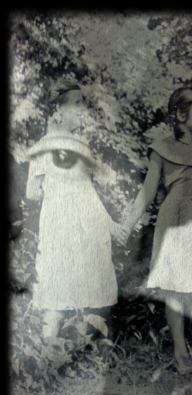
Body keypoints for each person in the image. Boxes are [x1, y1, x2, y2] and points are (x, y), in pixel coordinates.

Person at [122, 87, 192, 374]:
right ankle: (181, 355)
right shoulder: (162, 148)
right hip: (175, 219)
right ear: (180, 114)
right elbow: (148, 192)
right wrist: (125, 226)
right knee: (174, 289)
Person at [26, 81, 126, 352]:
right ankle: (48, 354)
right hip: (58, 225)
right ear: (59, 108)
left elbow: (89, 192)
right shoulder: (44, 146)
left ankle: (76, 352)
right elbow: (31, 192)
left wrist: (111, 225)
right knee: (55, 285)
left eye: (84, 104)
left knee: (87, 284)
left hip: (83, 224)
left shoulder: (80, 144)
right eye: (77, 104)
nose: (83, 110)